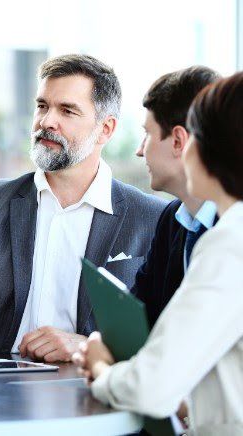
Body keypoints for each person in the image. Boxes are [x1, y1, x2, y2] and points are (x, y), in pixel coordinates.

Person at [0, 54, 166, 361]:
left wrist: (88, 346)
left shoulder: (152, 219)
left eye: (67, 110)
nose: (47, 121)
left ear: (106, 129)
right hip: (3, 391)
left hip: (94, 390)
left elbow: (162, 332)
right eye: (42, 106)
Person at [73, 72, 243, 435]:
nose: (139, 149)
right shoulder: (198, 227)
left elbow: (150, 389)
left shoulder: (230, 243)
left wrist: (103, 369)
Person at [132, 66, 220, 327]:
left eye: (147, 134)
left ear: (178, 141)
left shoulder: (233, 228)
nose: (139, 150)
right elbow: (140, 315)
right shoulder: (172, 219)